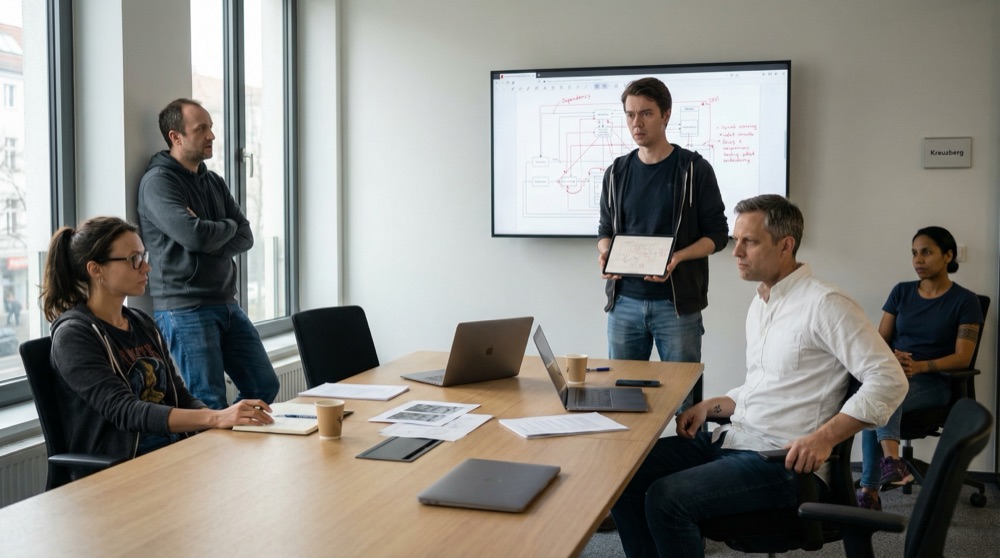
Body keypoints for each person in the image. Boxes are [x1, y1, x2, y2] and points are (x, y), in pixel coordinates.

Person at [610, 194, 907, 558]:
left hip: (781, 460)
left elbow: (889, 379)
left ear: (786, 245)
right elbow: (763, 386)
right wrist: (708, 406)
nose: (736, 252)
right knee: (622, 473)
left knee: (666, 498)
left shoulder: (826, 304)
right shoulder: (761, 302)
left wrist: (823, 439)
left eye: (748, 242)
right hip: (735, 439)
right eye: (736, 241)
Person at [41, 216, 273, 476]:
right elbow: (126, 411)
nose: (147, 268)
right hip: (119, 471)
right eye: (134, 260)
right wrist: (215, 418)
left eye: (144, 256)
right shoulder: (74, 335)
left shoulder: (141, 323)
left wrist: (223, 418)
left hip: (170, 454)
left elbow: (179, 396)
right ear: (96, 270)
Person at [138, 98, 280, 410]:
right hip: (185, 309)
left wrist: (214, 229)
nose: (211, 136)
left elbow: (245, 235)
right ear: (176, 136)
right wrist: (214, 230)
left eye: (211, 128)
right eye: (201, 129)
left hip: (227, 303)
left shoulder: (213, 180)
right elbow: (193, 234)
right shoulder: (158, 183)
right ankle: (214, 456)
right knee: (208, 403)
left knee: (263, 384)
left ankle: (232, 449)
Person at [597, 77, 728, 403]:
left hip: (676, 306)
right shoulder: (616, 172)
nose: (636, 123)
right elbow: (604, 231)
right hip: (623, 304)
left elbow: (718, 235)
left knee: (685, 403)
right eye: (629, 115)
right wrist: (605, 254)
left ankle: (690, 455)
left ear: (666, 115)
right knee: (623, 399)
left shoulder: (694, 170)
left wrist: (678, 257)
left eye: (646, 113)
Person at [857, 226, 983, 510]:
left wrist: (920, 365)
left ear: (948, 255)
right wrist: (894, 358)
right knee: (874, 393)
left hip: (935, 382)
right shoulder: (901, 292)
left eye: (926, 252)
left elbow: (963, 357)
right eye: (914, 253)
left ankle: (871, 489)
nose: (918, 260)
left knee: (877, 399)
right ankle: (889, 465)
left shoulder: (966, 301)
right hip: (893, 373)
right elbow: (880, 341)